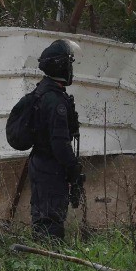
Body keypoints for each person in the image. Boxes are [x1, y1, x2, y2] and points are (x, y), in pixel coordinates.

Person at [28, 39, 83, 240]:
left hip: (42, 164)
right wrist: (73, 167)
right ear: (61, 66)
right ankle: (48, 262)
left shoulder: (43, 92)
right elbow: (60, 142)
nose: (71, 69)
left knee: (44, 215)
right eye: (68, 64)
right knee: (50, 220)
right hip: (50, 167)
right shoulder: (54, 100)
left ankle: (44, 263)